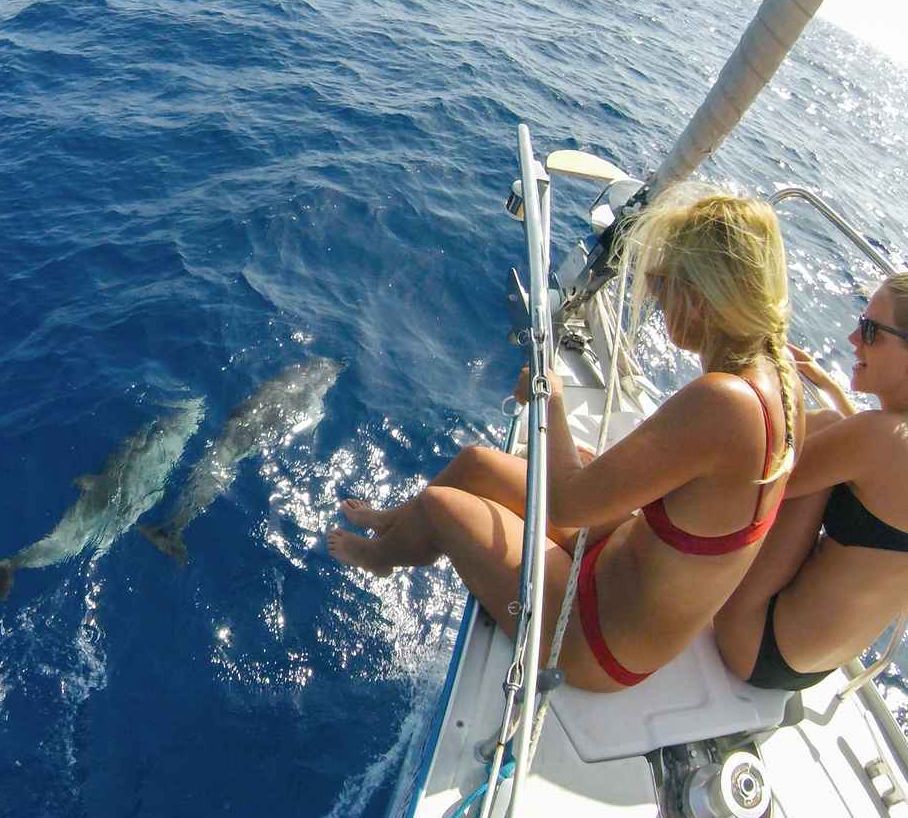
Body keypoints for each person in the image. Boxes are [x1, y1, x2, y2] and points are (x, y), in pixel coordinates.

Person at [327, 188, 802, 693]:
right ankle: (391, 522)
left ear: (705, 298)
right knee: (476, 465)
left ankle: (381, 558)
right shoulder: (775, 375)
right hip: (624, 564)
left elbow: (569, 506)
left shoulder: (723, 401)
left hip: (600, 637)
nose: (657, 296)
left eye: (663, 281)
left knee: (443, 508)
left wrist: (549, 395)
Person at [714, 275, 908, 691]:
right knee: (831, 425)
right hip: (810, 668)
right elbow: (869, 456)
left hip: (747, 637)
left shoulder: (878, 439)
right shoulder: (891, 440)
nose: (854, 337)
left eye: (872, 331)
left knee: (813, 431)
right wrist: (832, 386)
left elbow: (756, 483)